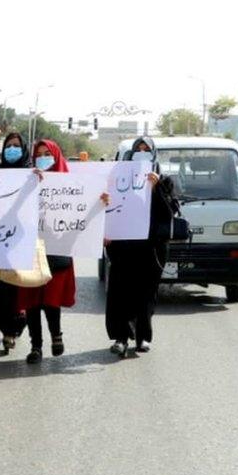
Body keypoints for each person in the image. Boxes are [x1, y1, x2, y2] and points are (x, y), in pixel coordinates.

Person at [104, 136, 170, 357]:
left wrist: (155, 188)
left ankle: (142, 336)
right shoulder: (117, 178)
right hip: (123, 247)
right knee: (120, 292)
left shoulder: (164, 181)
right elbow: (109, 206)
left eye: (146, 149)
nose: (142, 153)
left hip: (151, 250)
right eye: (138, 150)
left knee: (145, 294)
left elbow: (168, 214)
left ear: (153, 154)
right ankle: (121, 338)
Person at [18, 139, 76, 364]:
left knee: (51, 299)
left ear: (56, 155)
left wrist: (100, 202)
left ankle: (56, 335)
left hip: (58, 250)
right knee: (32, 300)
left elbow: (80, 211)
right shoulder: (28, 180)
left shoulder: (70, 182)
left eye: (47, 153)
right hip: (30, 249)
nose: (42, 157)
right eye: (38, 154)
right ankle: (36, 347)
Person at [0, 131, 31, 353]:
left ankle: (12, 330)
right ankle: (6, 330)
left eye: (16, 146)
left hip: (20, 239)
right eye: (8, 146)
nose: (11, 150)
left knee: (16, 287)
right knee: (2, 289)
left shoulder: (31, 172)